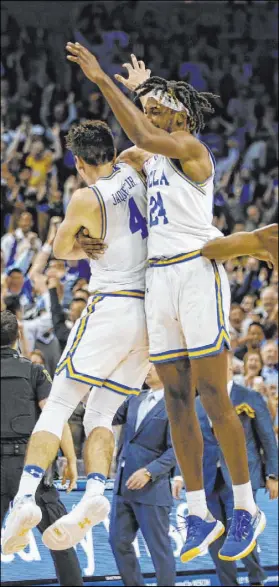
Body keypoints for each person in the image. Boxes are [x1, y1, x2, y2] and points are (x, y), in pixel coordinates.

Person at [65, 42, 278, 562]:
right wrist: (86, 238)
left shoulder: (191, 150)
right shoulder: (149, 156)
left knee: (212, 395)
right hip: (158, 279)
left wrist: (102, 80)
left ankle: (247, 506)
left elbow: (140, 134)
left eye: (161, 109)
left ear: (181, 116)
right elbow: (123, 157)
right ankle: (201, 511)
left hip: (195, 273)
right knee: (177, 398)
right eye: (150, 108)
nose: (152, 114)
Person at [2, 120, 150, 553]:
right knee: (101, 415)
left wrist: (82, 241)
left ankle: (25, 500)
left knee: (62, 404)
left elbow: (63, 250)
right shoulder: (134, 169)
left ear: (79, 162)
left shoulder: (86, 196)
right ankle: (94, 495)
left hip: (113, 304)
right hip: (149, 313)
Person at [173, 353, 278, 587]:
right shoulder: (197, 403)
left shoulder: (249, 397)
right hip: (208, 478)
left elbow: (267, 438)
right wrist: (180, 474)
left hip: (241, 478)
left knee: (241, 531)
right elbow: (189, 442)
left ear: (230, 366)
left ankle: (256, 579)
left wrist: (273, 474)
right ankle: (228, 583)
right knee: (215, 537)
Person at [0, 311, 83, 586]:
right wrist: (70, 459)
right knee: (60, 539)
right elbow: (54, 418)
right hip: (30, 467)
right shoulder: (34, 371)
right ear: (18, 338)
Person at [109, 365, 176, 586]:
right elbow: (108, 414)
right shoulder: (134, 398)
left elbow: (178, 450)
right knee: (118, 542)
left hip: (152, 490)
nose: (146, 370)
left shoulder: (176, 404)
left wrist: (150, 471)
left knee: (159, 550)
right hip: (123, 486)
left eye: (153, 366)